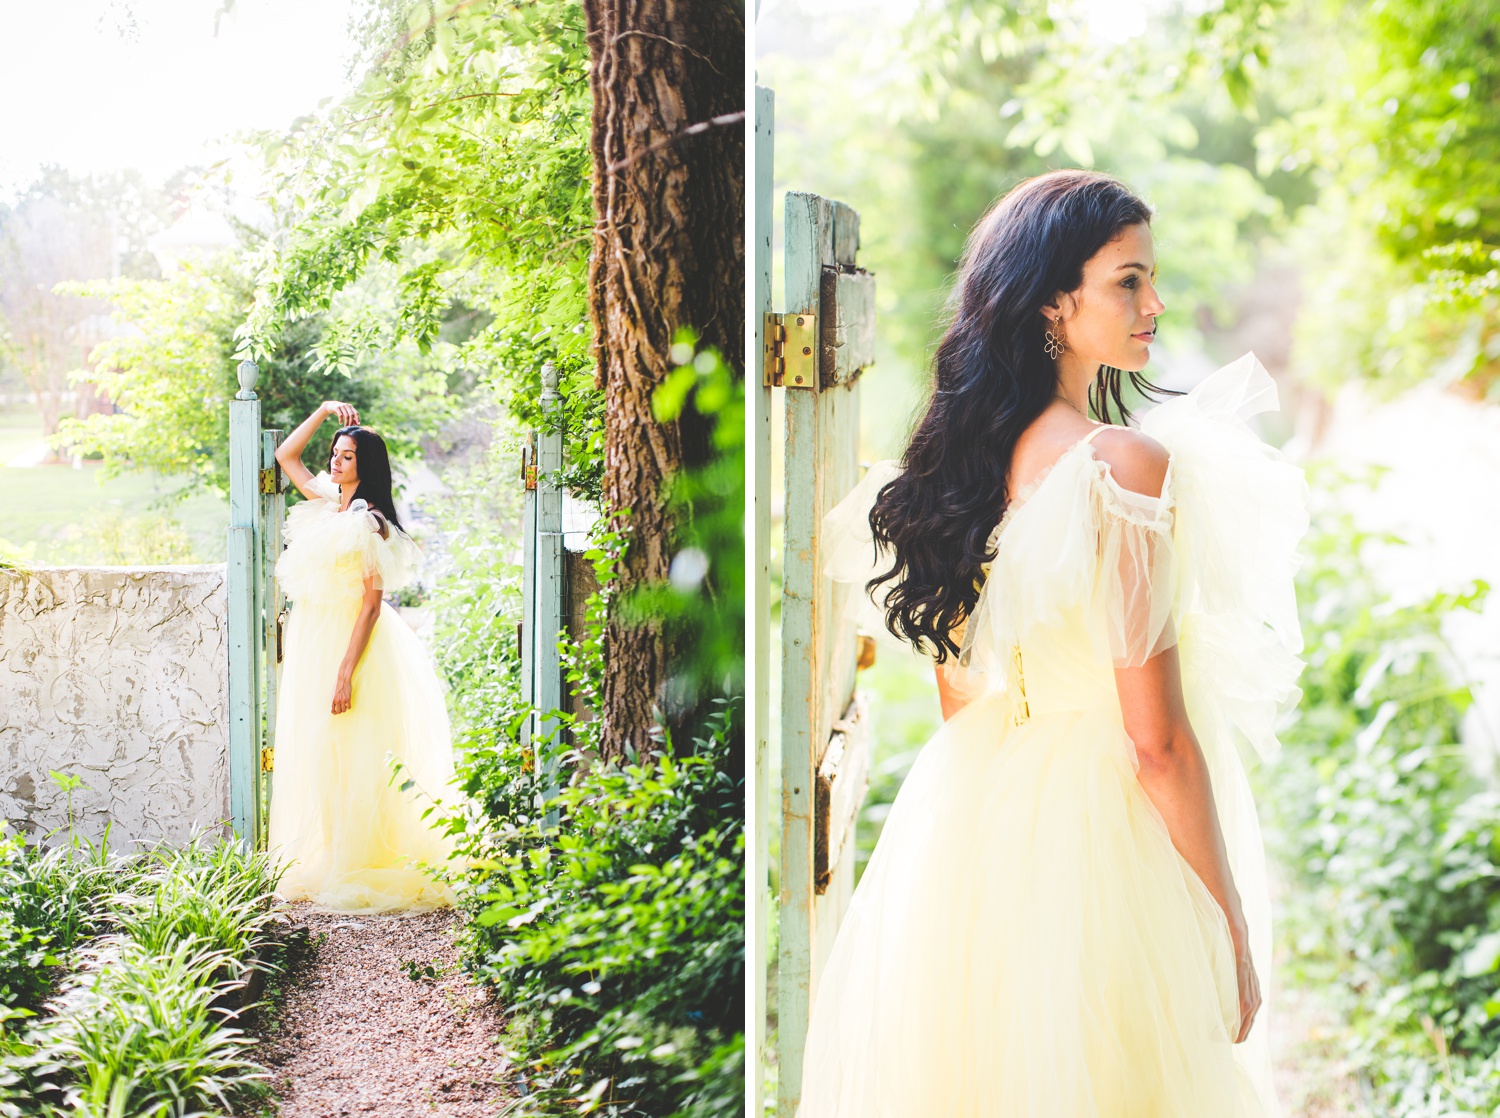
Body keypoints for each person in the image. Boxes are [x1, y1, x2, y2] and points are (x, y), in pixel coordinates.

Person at [801, 170, 1306, 1115]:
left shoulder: (960, 467)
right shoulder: (1122, 466)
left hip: (976, 813)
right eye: (1128, 281)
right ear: (1051, 303)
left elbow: (961, 692)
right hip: (1105, 822)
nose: (1155, 303)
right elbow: (1154, 740)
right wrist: (1225, 921)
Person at [268, 401, 457, 912]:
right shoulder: (329, 502)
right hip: (315, 638)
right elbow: (287, 456)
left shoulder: (367, 521)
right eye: (335, 453)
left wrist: (345, 672)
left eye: (347, 457)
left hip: (354, 643)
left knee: (354, 749)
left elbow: (372, 604)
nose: (335, 461)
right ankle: (332, 856)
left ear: (365, 466)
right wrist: (326, 411)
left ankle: (360, 859)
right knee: (322, 750)